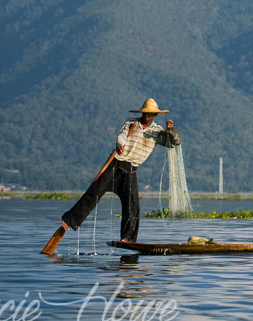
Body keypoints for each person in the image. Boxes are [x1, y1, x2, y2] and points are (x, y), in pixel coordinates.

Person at [59, 98, 180, 242]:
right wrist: (120, 145)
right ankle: (70, 220)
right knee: (94, 192)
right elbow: (121, 136)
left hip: (131, 170)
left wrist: (171, 131)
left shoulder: (157, 131)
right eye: (145, 113)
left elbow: (175, 143)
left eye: (150, 114)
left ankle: (127, 238)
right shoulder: (131, 123)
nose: (146, 116)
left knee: (133, 205)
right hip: (116, 164)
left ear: (155, 115)